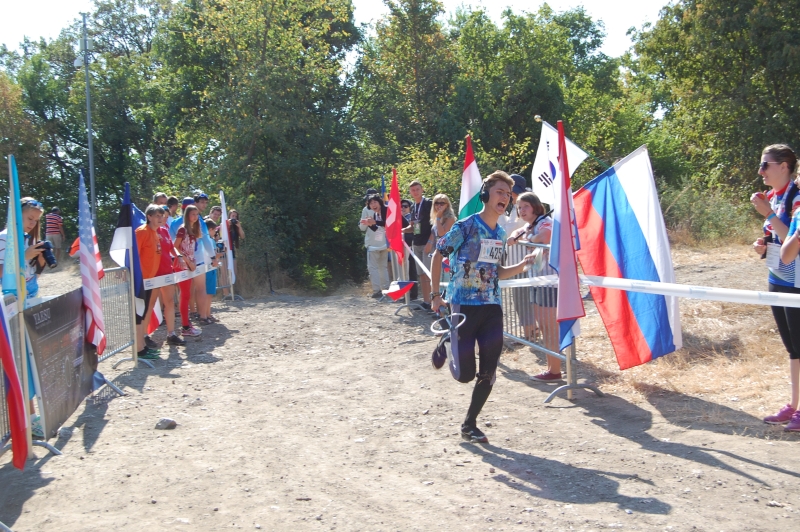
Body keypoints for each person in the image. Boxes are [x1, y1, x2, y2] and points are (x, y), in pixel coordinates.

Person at [429, 171, 535, 443]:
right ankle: (447, 340)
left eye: (508, 195)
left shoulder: (500, 233)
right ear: (486, 195)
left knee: (489, 370)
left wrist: (522, 266)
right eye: (500, 192)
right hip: (463, 304)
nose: (505, 198)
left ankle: (469, 425)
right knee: (465, 375)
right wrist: (435, 295)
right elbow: (438, 255)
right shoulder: (465, 226)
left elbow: (496, 272)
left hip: (491, 306)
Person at [752, 144, 800, 431]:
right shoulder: (772, 197)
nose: (761, 172)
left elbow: (792, 241)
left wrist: (768, 214)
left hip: (796, 280)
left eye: (765, 165)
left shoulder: (796, 197)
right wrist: (762, 246)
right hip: (777, 277)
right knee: (793, 348)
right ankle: (794, 405)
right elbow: (776, 239)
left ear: (784, 166)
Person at [0, 197, 48, 438]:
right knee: (21, 363)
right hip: (12, 309)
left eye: (36, 220)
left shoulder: (28, 240)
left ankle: (32, 416)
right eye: (29, 218)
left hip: (30, 304)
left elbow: (30, 275)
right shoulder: (4, 239)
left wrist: (40, 260)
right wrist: (23, 255)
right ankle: (28, 419)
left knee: (30, 360)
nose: (32, 224)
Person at [507, 192, 561, 381]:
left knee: (549, 326)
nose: (522, 210)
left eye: (525, 207)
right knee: (543, 325)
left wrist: (529, 239)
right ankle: (552, 368)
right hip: (536, 280)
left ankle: (555, 370)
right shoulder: (529, 226)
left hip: (549, 281)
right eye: (519, 207)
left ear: (535, 207)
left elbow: (545, 236)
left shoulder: (545, 222)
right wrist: (516, 237)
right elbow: (515, 234)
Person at [135, 204, 167, 360]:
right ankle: (139, 351)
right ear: (149, 217)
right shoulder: (142, 232)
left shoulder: (155, 233)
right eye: (157, 216)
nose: (160, 219)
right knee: (138, 315)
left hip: (150, 281)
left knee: (143, 313)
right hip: (139, 281)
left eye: (162, 216)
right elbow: (133, 255)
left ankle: (143, 347)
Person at [151, 206, 186, 346]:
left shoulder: (165, 231)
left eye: (165, 216)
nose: (163, 219)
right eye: (160, 216)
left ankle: (171, 334)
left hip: (167, 272)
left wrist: (179, 256)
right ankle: (144, 337)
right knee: (151, 305)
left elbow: (172, 248)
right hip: (153, 274)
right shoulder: (144, 232)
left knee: (170, 302)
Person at [173, 205, 203, 337]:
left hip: (189, 265)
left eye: (197, 214)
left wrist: (193, 261)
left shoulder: (193, 230)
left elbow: (191, 249)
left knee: (187, 295)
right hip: (181, 265)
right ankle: (185, 326)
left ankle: (187, 323)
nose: (195, 217)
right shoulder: (182, 229)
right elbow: (175, 247)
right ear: (187, 215)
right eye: (192, 214)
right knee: (185, 295)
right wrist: (187, 261)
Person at [403, 181, 433, 308]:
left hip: (428, 243)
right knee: (421, 274)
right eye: (413, 190)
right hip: (417, 243)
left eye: (417, 189)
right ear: (410, 192)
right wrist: (401, 231)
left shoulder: (429, 203)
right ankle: (426, 301)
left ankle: (434, 302)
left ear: (422, 190)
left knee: (429, 273)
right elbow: (413, 227)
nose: (415, 192)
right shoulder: (413, 206)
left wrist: (431, 241)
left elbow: (435, 224)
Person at [360, 194, 390, 297]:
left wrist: (366, 223)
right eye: (371, 202)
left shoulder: (366, 210)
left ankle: (377, 290)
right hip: (384, 242)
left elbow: (362, 228)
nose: (373, 204)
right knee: (383, 267)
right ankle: (386, 288)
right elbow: (381, 227)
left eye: (374, 202)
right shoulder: (381, 209)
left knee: (373, 268)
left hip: (373, 244)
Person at [401, 199, 419, 300]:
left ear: (410, 208)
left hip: (412, 245)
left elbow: (417, 230)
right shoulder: (397, 218)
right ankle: (404, 293)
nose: (403, 208)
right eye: (401, 206)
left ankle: (412, 294)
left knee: (411, 270)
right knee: (403, 271)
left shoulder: (414, 217)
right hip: (401, 247)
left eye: (405, 206)